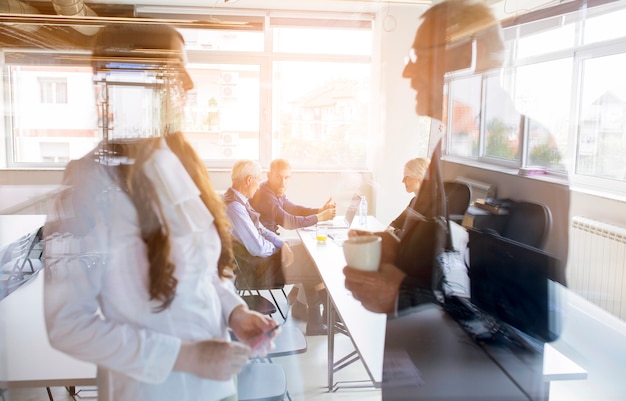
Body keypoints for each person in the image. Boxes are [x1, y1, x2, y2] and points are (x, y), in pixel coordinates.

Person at [42, 24, 277, 401]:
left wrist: (235, 313)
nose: (188, 84)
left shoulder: (179, 162)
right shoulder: (88, 180)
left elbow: (202, 273)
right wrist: (186, 357)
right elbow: (68, 324)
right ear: (126, 79)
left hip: (215, 386)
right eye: (173, 68)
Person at [343, 0, 565, 315]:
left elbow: (508, 303)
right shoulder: (448, 146)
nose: (408, 71)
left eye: (418, 56)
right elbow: (433, 250)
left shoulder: (525, 147)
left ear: (466, 58)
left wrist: (400, 294)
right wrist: (390, 250)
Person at [222, 159, 328, 335]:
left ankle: (310, 314)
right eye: (257, 180)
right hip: (257, 269)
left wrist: (282, 243)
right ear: (249, 180)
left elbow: (261, 229)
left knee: (308, 256)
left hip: (259, 262)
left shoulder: (240, 200)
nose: (259, 186)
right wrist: (279, 249)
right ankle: (321, 317)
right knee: (312, 261)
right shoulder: (235, 207)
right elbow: (258, 248)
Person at [250, 158, 336, 234]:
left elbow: (294, 209)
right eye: (278, 177)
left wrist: (320, 210)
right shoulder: (265, 196)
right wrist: (320, 217)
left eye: (286, 177)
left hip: (270, 240)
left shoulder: (274, 190)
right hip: (266, 244)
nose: (282, 182)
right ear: (269, 175)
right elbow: (288, 222)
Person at [386, 157, 430, 239]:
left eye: (407, 176)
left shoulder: (426, 204)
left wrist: (392, 232)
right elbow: (395, 224)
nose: (403, 181)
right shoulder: (414, 201)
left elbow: (409, 235)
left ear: (420, 178)